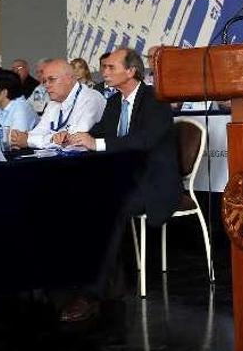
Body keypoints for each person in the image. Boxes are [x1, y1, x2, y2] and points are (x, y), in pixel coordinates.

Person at [62, 48, 181, 322]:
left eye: (110, 67)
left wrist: (97, 144)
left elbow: (144, 140)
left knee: (108, 207)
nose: (104, 72)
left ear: (132, 71)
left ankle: (92, 294)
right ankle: (94, 282)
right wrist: (74, 137)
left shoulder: (156, 100)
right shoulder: (114, 102)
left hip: (153, 182)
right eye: (103, 67)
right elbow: (100, 133)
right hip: (124, 178)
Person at [10, 59, 105, 149]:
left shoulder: (90, 98)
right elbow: (38, 131)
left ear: (69, 78)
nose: (46, 85)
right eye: (44, 81)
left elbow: (73, 140)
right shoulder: (53, 104)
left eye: (51, 79)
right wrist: (24, 138)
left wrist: (30, 141)